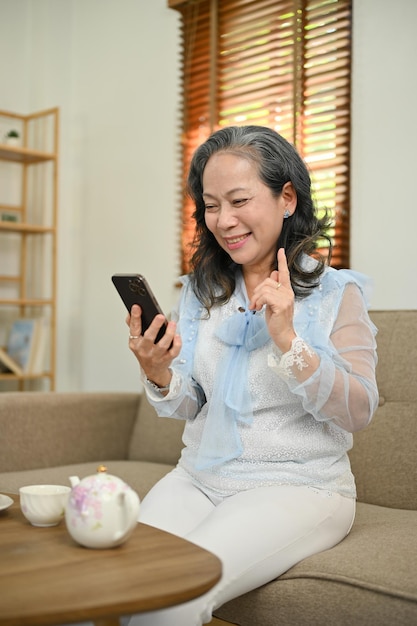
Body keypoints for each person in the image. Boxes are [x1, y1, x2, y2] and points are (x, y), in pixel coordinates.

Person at [125, 125, 378, 626]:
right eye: (211, 205)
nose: (223, 220)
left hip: (300, 486)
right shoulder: (203, 292)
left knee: (174, 595)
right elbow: (192, 403)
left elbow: (359, 410)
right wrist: (158, 373)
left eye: (239, 200)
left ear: (287, 197)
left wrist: (288, 337)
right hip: (198, 478)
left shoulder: (334, 294)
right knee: (115, 583)